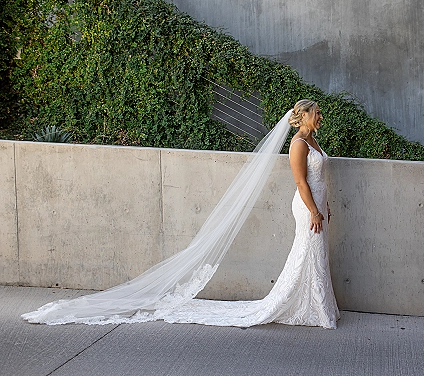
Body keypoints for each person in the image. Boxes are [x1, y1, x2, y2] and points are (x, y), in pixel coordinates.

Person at [22, 100, 339, 329]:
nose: (320, 117)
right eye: (317, 113)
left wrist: (324, 205)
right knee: (306, 252)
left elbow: (318, 178)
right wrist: (313, 208)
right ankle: (302, 305)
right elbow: (299, 181)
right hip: (305, 207)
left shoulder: (313, 140)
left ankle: (314, 305)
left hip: (316, 207)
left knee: (316, 254)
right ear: (304, 116)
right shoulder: (298, 144)